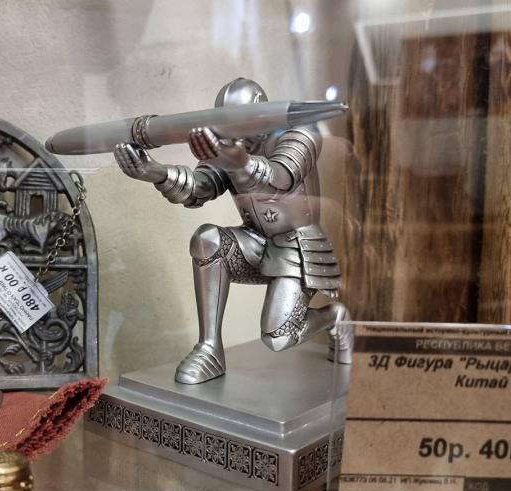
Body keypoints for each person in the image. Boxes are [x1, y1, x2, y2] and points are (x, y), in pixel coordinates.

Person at [113, 77, 352, 384]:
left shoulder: (299, 132)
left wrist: (238, 160)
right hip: (255, 241)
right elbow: (200, 188)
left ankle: (334, 317)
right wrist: (155, 172)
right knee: (207, 240)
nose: (232, 129)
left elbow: (281, 178)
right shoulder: (227, 144)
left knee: (279, 337)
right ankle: (209, 348)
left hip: (297, 246)